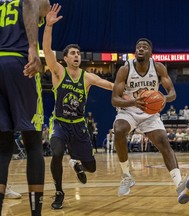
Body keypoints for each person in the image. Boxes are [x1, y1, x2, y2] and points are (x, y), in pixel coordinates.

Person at [42, 4, 114, 210]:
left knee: (91, 168)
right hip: (60, 124)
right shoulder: (58, 72)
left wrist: (129, 93)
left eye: (78, 53)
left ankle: (77, 163)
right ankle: (59, 192)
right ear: (65, 58)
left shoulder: (87, 77)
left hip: (79, 127)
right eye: (72, 53)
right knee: (55, 154)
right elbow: (46, 50)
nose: (76, 56)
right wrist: (48, 26)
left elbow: (109, 85)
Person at [111, 38, 189, 204]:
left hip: (149, 113)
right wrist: (133, 102)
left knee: (163, 141)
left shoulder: (158, 68)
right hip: (129, 109)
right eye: (138, 47)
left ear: (151, 52)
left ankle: (179, 184)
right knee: (119, 129)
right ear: (135, 51)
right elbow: (114, 100)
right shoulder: (125, 69)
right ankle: (127, 176)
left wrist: (165, 98)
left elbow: (172, 92)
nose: (141, 49)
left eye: (144, 47)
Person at [0, 0, 50, 215]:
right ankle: (35, 213)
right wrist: (32, 46)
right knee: (33, 143)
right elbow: (32, 3)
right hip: (20, 64)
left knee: (2, 147)